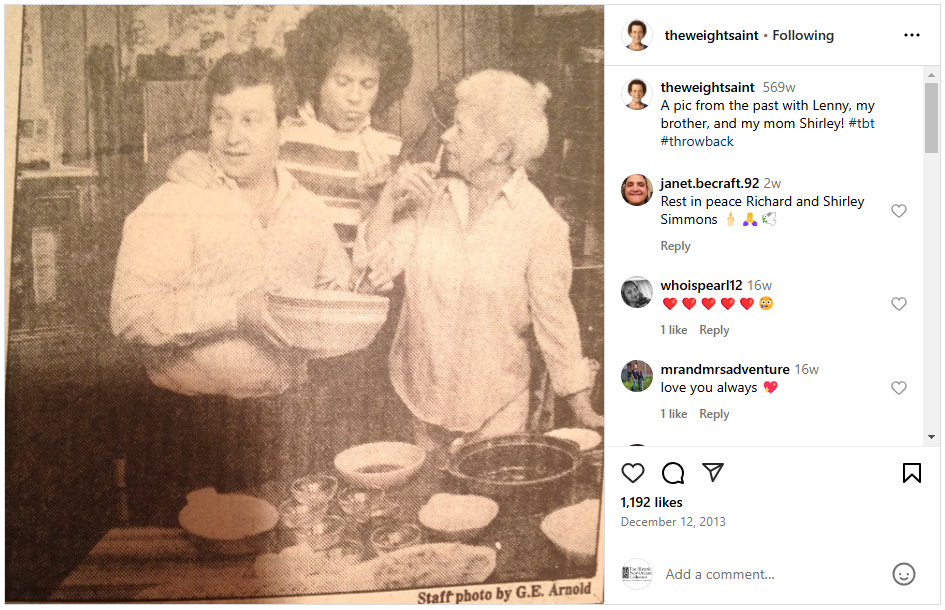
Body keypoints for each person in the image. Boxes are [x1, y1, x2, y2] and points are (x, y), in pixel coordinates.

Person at [110, 49, 354, 519]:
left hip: (283, 426)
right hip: (184, 433)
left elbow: (334, 293)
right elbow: (130, 315)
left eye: (250, 119)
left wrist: (341, 308)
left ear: (284, 126)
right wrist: (236, 311)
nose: (232, 137)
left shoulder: (309, 211)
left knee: (283, 569)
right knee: (181, 579)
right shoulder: (172, 202)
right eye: (221, 118)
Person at [359, 70, 603, 455]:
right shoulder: (429, 198)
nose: (445, 136)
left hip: (495, 412)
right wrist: (388, 197)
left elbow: (554, 318)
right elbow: (373, 269)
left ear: (501, 151)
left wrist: (581, 406)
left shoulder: (540, 225)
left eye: (459, 128)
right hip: (417, 399)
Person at [169, 6, 414, 238]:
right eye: (342, 82)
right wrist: (188, 164)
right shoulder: (281, 135)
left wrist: (374, 198)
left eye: (367, 84)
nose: (355, 97)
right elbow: (222, 175)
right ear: (317, 80)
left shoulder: (392, 151)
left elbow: (386, 251)